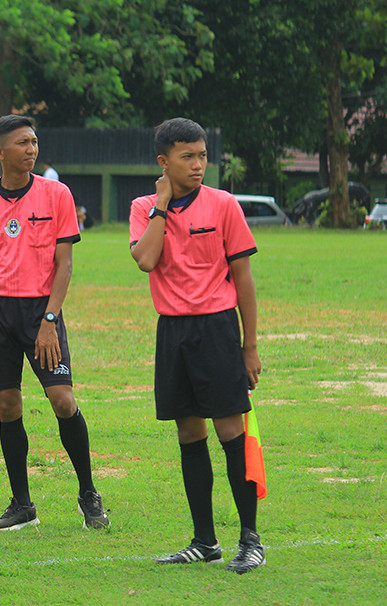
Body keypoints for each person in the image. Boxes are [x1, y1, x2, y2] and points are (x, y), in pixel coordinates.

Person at [0, 114, 110, 532]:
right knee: (7, 405)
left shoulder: (56, 194)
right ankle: (22, 503)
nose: (31, 149)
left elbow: (65, 265)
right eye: (22, 143)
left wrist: (49, 319)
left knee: (62, 399)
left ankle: (88, 494)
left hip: (40, 312)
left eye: (34, 141)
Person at [129, 117, 264, 574]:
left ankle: (251, 538)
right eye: (188, 156)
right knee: (189, 434)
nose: (199, 164)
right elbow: (146, 259)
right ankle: (205, 541)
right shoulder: (143, 206)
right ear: (164, 162)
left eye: (203, 155)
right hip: (173, 333)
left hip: (218, 331)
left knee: (231, 432)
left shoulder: (225, 205)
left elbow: (243, 280)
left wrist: (250, 347)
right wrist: (162, 205)